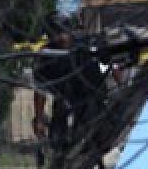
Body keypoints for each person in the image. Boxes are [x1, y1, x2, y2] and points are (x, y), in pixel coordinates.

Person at [32, 15, 110, 158]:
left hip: (92, 97)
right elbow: (40, 89)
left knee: (94, 136)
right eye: (54, 34)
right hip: (65, 100)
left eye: (63, 32)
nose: (60, 38)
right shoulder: (47, 55)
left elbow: (111, 65)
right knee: (59, 139)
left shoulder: (88, 45)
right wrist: (39, 119)